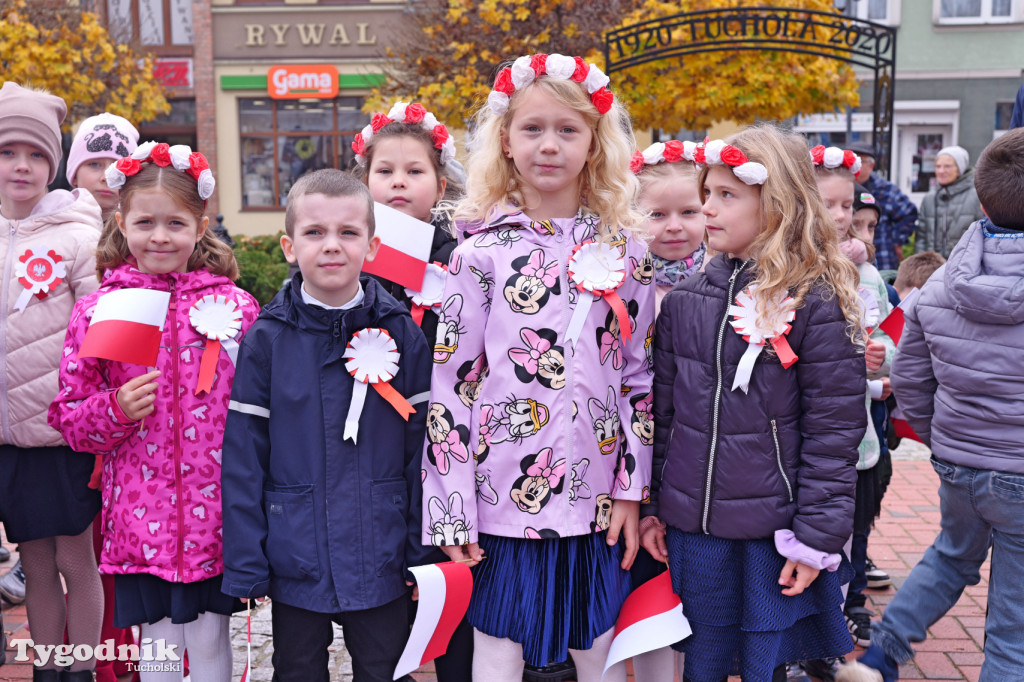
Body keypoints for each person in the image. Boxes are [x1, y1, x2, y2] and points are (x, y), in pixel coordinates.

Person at [421, 54, 654, 682]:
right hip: (503, 495)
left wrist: (632, 489)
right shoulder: (479, 256)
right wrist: (452, 509)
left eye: (567, 130)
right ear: (505, 139)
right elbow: (452, 387)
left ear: (594, 143)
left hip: (598, 493)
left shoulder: (627, 251)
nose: (549, 145)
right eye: (532, 129)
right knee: (498, 640)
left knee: (596, 638)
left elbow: (639, 380)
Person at [642, 128, 867, 682]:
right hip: (695, 529)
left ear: (778, 203)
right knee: (703, 655)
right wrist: (654, 505)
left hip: (774, 528)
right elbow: (664, 418)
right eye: (707, 193)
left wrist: (817, 537)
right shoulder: (685, 300)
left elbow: (833, 433)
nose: (708, 208)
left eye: (726, 195)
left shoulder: (816, 301)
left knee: (764, 662)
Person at [48, 143, 260, 682]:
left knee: (212, 635)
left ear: (200, 225)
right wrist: (115, 408)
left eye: (175, 223)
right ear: (122, 222)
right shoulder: (103, 308)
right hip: (143, 517)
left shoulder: (233, 307)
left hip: (217, 517)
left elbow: (263, 407)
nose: (160, 236)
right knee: (159, 641)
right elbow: (71, 416)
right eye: (145, 222)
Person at [221, 169, 432, 682]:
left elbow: (424, 451)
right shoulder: (266, 340)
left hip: (380, 548)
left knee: (384, 666)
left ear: (373, 245)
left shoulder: (402, 332)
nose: (331, 246)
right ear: (290, 246)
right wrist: (247, 559)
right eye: (315, 233)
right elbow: (244, 455)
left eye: (348, 233)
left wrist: (420, 552)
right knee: (295, 667)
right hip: (296, 552)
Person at [838, 127, 1024, 682]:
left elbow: (910, 375)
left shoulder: (940, 285)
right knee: (1013, 614)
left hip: (960, 462)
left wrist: (940, 436)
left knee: (951, 556)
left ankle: (880, 657)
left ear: (981, 199)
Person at [353, 101, 473, 682]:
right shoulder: (347, 262)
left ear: (440, 183)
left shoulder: (465, 260)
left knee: (452, 588)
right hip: (373, 447)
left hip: (449, 447)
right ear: (365, 181)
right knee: (386, 597)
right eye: (385, 171)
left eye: (414, 171)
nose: (398, 181)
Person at [0, 82, 105, 682]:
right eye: (9, 151)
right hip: (10, 440)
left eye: (36, 154)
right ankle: (47, 670)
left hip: (64, 436)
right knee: (33, 563)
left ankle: (82, 668)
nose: (22, 165)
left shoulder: (76, 235)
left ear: (53, 163)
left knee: (74, 558)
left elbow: (100, 334)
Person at [65, 110, 141, 682]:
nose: (103, 174)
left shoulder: (150, 234)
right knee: (81, 553)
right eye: (92, 162)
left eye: (115, 161)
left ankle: (127, 656)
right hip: (76, 411)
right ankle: (86, 652)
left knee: (120, 553)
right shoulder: (54, 234)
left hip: (134, 413)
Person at [627, 139, 705, 681]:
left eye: (690, 211)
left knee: (693, 587)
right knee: (648, 580)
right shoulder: (625, 283)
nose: (674, 225)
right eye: (658, 214)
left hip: (694, 458)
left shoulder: (724, 282)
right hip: (637, 449)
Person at [848, 142, 918, 272]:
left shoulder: (885, 189)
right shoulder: (841, 187)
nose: (854, 165)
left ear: (871, 166)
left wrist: (897, 240)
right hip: (848, 259)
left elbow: (909, 212)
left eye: (859, 161)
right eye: (851, 160)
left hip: (882, 255)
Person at [66, 113, 139, 222]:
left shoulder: (146, 233)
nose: (106, 177)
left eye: (119, 167)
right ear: (75, 175)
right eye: (94, 164)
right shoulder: (49, 224)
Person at [913, 146, 984, 259]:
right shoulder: (929, 199)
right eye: (938, 166)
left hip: (965, 267)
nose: (941, 171)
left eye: (947, 166)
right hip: (933, 270)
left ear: (960, 169)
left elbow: (984, 236)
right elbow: (921, 239)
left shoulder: (977, 196)